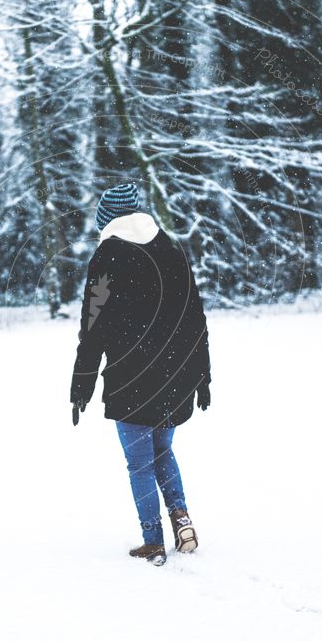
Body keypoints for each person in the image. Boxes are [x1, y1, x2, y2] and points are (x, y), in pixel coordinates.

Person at [70, 182, 211, 566]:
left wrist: (81, 383)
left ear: (108, 220)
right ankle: (181, 518)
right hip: (175, 376)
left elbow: (93, 326)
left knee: (140, 463)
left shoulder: (107, 255)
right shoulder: (171, 248)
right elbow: (195, 317)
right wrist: (202, 374)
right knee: (163, 450)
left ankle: (153, 539)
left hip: (130, 379)